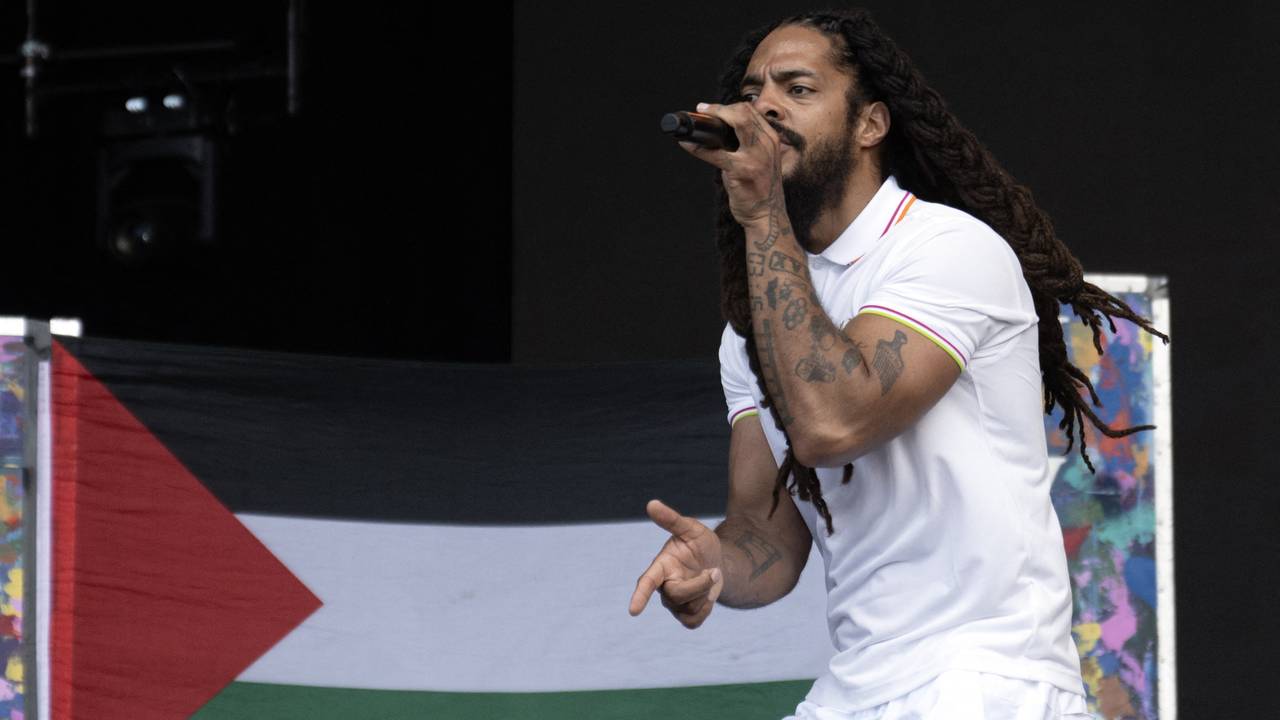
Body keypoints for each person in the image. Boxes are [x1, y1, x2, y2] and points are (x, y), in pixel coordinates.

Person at [627, 8, 1167, 720]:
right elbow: (769, 540)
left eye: (798, 88)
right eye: (754, 91)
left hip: (981, 678)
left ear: (870, 125)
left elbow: (834, 423)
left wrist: (761, 214)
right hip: (859, 686)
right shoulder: (753, 329)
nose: (764, 107)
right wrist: (714, 568)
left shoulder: (944, 250)